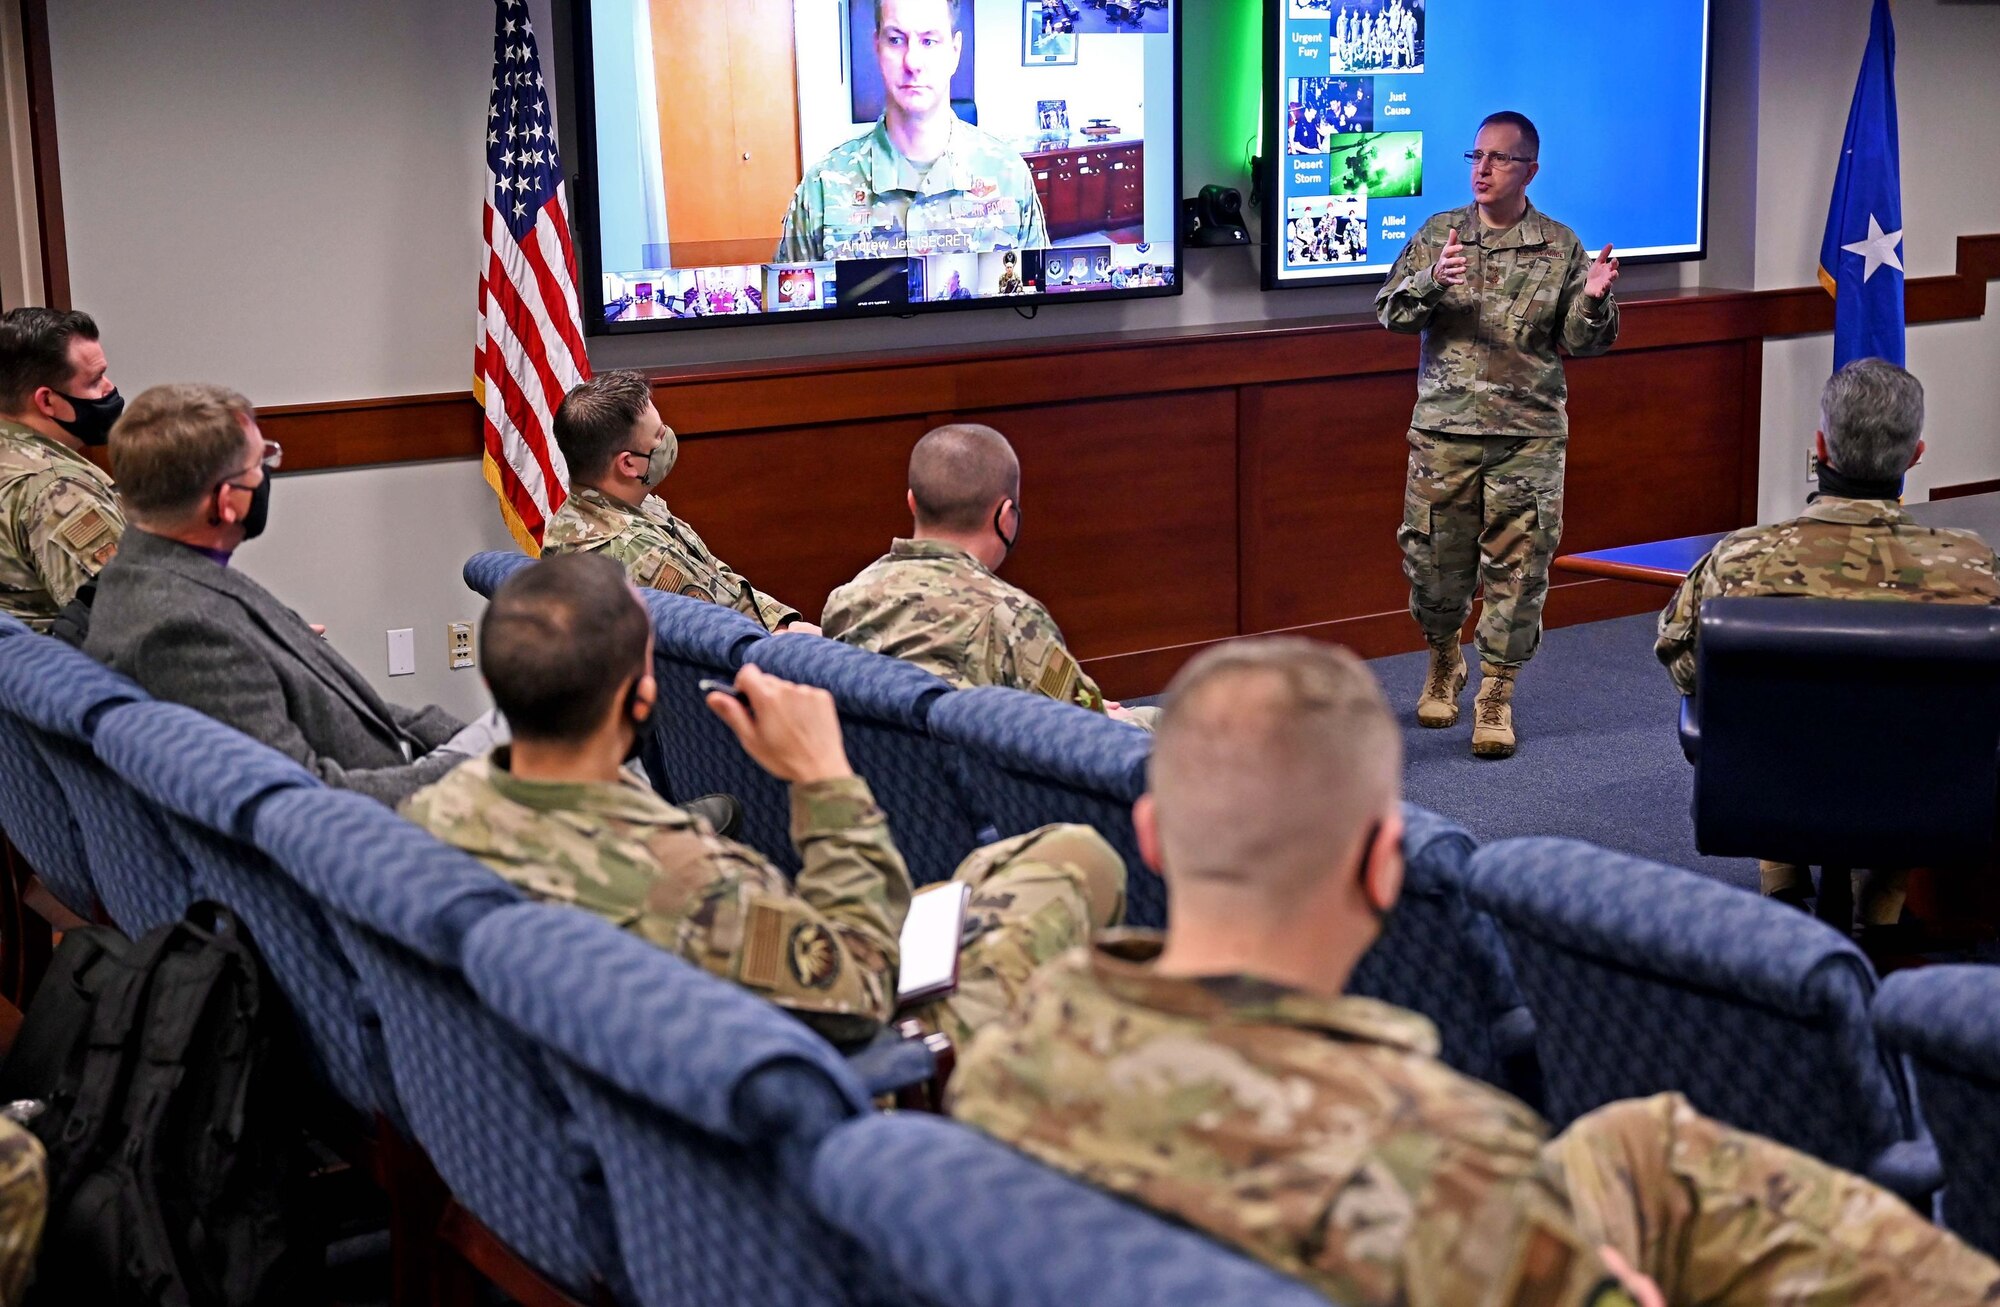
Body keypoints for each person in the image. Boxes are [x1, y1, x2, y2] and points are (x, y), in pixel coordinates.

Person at [950, 637, 2000, 1307]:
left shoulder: (1007, 1043)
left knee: (1644, 1146)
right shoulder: (1445, 1163)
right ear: (1378, 861)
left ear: (1150, 833)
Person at [404, 552, 1126, 1050]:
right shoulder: (685, 881)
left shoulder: (444, 806)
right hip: (853, 1071)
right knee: (1079, 859)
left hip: (646, 1060)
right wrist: (824, 779)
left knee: (985, 873)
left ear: (497, 690)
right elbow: (861, 988)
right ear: (642, 696)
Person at [1657, 358, 2000, 926]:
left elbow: (1686, 667)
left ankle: (1782, 870)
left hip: (1776, 782)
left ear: (1820, 447)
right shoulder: (1974, 566)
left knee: (1767, 711)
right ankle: (1883, 900)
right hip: (1923, 796)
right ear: (1915, 455)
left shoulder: (1740, 559)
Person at [86, 383, 489, 806]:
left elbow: (338, 704)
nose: (267, 473)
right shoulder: (186, 631)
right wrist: (469, 770)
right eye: (261, 462)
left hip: (397, 772)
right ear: (228, 502)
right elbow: (303, 799)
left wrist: (462, 740)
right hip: (377, 831)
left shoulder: (157, 572)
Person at [1376, 110, 1621, 759]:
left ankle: (1496, 694)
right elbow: (1390, 311)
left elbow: (1580, 342)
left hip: (1527, 437)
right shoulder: (1441, 233)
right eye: (1476, 156)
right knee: (1433, 569)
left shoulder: (1560, 245)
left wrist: (1593, 299)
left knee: (1518, 572)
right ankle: (1442, 659)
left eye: (1500, 159)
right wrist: (1433, 281)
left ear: (1529, 170)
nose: (1482, 169)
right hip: (1444, 433)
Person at [821, 423, 1155, 727]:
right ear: (1006, 516)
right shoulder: (1013, 618)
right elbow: (1088, 734)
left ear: (912, 502)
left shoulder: (847, 598)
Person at [542, 371, 818, 634]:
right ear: (628, 463)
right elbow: (722, 637)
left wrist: (781, 623)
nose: (668, 438)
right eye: (659, 435)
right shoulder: (631, 549)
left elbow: (716, 577)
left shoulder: (624, 506)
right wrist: (784, 638)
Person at [776, 0, 1048, 264]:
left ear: (955, 52)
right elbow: (792, 303)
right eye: (896, 40)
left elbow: (1039, 302)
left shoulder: (1009, 175)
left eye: (929, 41)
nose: (913, 61)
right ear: (877, 47)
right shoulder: (823, 187)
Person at [0, 307, 126, 634]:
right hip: (51, 678)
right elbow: (128, 621)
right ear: (47, 401)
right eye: (95, 380)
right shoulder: (58, 490)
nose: (109, 388)